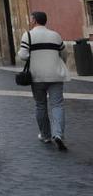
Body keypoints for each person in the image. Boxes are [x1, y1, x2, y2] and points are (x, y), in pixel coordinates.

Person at [18, 11, 69, 151]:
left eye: (31, 18)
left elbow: (23, 55)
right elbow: (64, 53)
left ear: (34, 20)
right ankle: (58, 134)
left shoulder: (27, 35)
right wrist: (58, 64)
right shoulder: (55, 35)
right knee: (57, 105)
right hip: (55, 75)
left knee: (40, 105)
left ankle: (46, 135)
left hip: (37, 76)